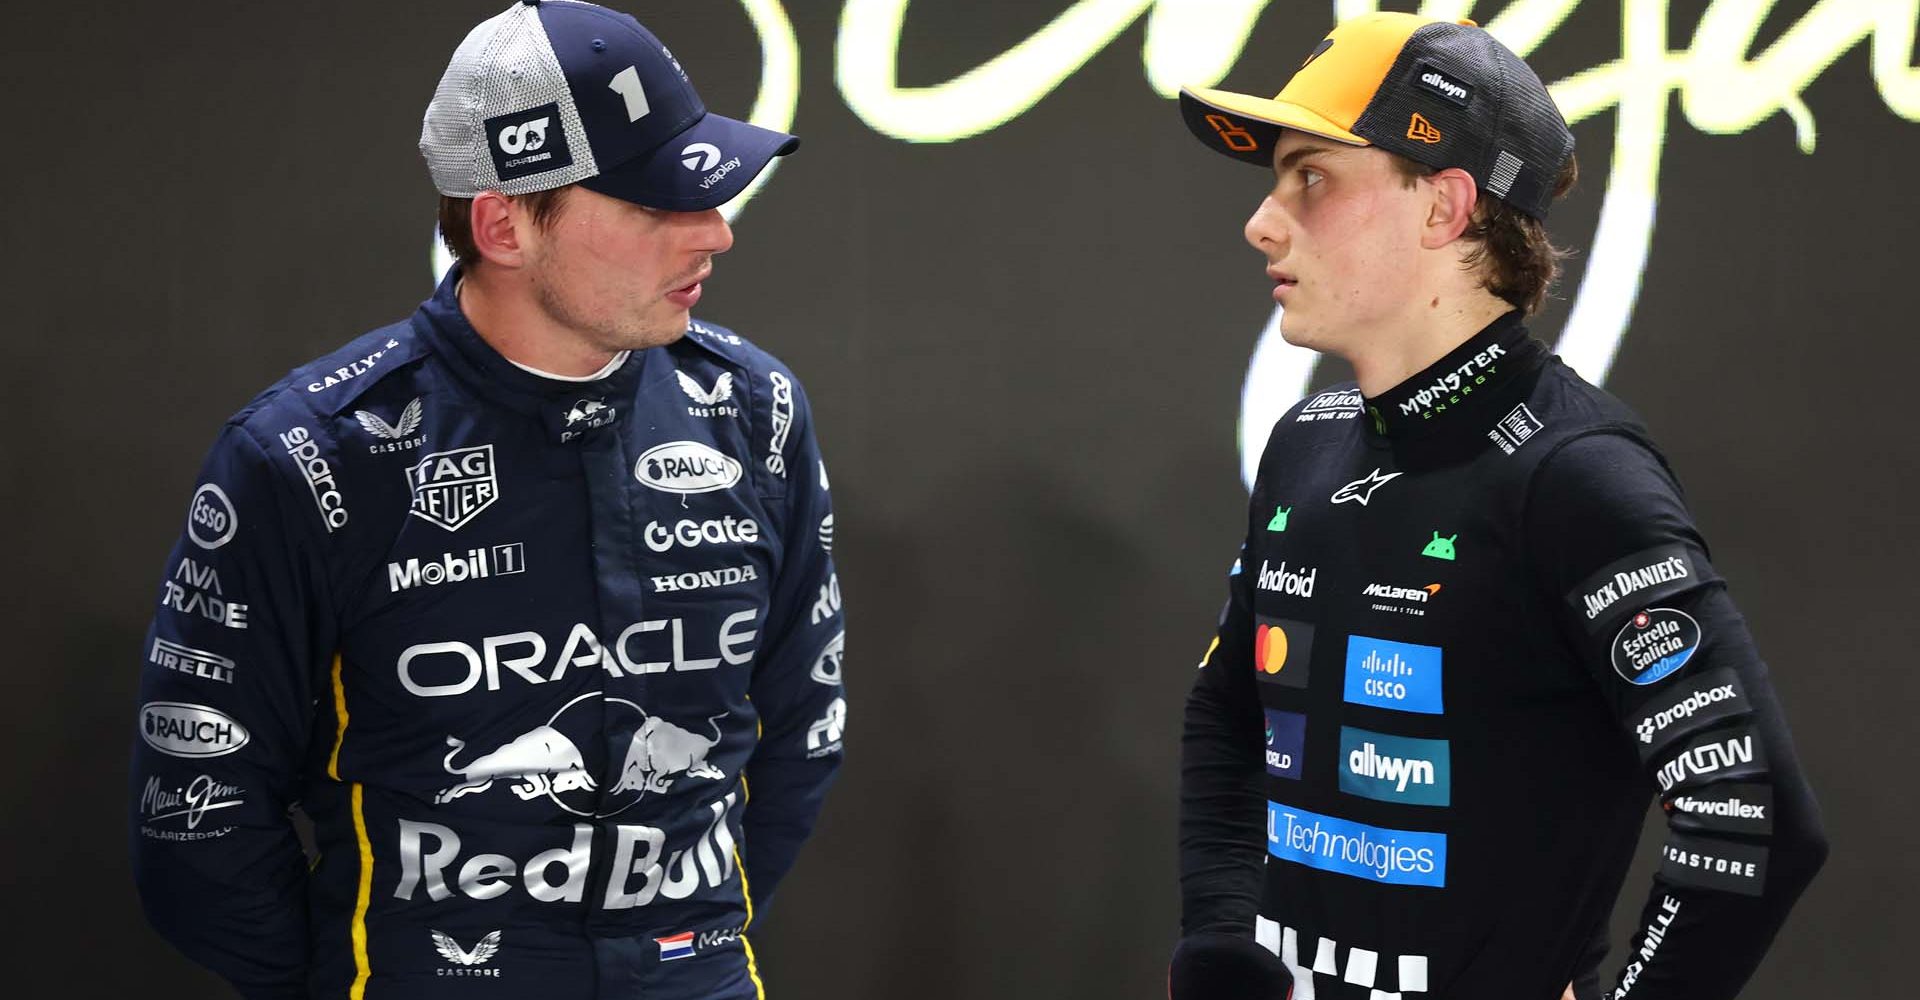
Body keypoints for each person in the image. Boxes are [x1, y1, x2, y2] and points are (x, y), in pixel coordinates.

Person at [129, 3, 846, 997]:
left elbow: (798, 728)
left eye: (712, 195)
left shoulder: (754, 410)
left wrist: (674, 959)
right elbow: (196, 812)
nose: (715, 233)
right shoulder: (310, 453)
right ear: (503, 222)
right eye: (653, 206)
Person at [1167, 12, 1826, 1000]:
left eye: (1312, 176)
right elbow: (1228, 716)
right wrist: (1221, 945)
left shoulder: (1577, 474)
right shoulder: (1306, 441)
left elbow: (1751, 809)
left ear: (1444, 208)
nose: (1263, 221)